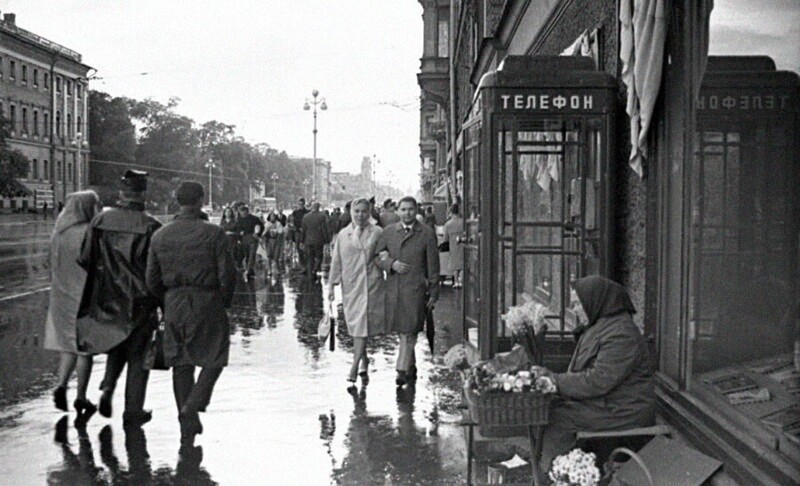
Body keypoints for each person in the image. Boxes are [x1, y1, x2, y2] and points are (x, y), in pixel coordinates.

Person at [533, 275, 655, 477]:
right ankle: (555, 471)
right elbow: (584, 374)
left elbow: (598, 381)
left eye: (577, 303)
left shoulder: (622, 335)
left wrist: (555, 380)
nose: (575, 309)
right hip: (607, 403)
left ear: (595, 301)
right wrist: (554, 381)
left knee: (557, 417)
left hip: (623, 410)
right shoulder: (601, 326)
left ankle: (555, 475)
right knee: (551, 407)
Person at [146, 181, 236, 446]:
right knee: (215, 355)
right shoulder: (214, 233)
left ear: (177, 201)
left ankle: (185, 416)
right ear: (200, 201)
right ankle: (193, 404)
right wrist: (224, 302)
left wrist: (165, 302)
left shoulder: (161, 235)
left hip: (174, 301)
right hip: (206, 299)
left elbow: (151, 278)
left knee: (181, 362)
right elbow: (227, 274)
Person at [76, 169, 162, 427]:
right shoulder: (151, 226)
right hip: (140, 299)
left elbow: (84, 259)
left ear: (121, 193)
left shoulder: (100, 221)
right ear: (143, 194)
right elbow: (155, 271)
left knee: (116, 342)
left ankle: (107, 388)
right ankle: (132, 412)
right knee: (139, 356)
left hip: (104, 297)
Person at [45, 190, 102, 421]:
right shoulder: (89, 233)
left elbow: (50, 264)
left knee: (67, 346)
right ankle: (81, 396)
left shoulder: (58, 233)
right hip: (84, 295)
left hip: (60, 295)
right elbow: (97, 264)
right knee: (84, 349)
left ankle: (61, 385)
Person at [376, 196, 440, 387]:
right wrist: (391, 264)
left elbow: (433, 265)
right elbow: (377, 257)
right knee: (402, 332)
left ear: (416, 210)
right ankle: (410, 367)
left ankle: (401, 369)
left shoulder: (426, 233)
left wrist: (434, 292)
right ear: (398, 211)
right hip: (395, 290)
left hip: (416, 290)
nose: (407, 213)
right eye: (403, 209)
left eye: (410, 209)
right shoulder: (389, 232)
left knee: (409, 332)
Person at [328, 198, 386, 388]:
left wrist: (386, 266)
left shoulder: (377, 232)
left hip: (371, 283)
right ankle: (364, 359)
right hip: (351, 284)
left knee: (363, 323)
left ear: (369, 213)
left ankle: (354, 365)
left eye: (364, 211)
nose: (360, 215)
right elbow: (336, 260)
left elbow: (384, 255)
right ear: (352, 213)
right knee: (355, 325)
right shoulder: (344, 235)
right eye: (357, 211)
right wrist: (331, 285)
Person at [301, 202, 330, 281]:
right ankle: (315, 269)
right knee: (319, 256)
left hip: (308, 241)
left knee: (310, 257)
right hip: (319, 240)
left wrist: (302, 241)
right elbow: (325, 229)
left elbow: (303, 230)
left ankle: (310, 272)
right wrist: (327, 240)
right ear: (318, 207)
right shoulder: (322, 216)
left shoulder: (306, 217)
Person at [235, 205, 263, 278]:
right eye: (241, 213)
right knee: (247, 254)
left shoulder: (254, 219)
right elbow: (237, 229)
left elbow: (261, 226)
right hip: (244, 238)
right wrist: (239, 237)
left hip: (252, 237)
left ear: (247, 211)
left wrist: (258, 234)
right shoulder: (239, 220)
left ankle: (248, 270)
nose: (242, 214)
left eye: (244, 212)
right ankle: (250, 270)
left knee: (252, 254)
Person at [442, 203, 464, 288]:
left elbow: (445, 239)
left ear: (451, 212)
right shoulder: (463, 222)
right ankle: (461, 280)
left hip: (453, 246)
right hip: (463, 245)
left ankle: (456, 281)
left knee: (455, 265)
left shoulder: (448, 224)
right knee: (463, 263)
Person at [262, 212, 285, 277]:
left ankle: (277, 269)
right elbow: (263, 233)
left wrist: (276, 232)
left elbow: (281, 232)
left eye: (274, 216)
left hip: (276, 241)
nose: (273, 218)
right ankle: (270, 269)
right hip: (269, 241)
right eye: (271, 216)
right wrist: (266, 232)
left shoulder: (278, 223)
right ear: (269, 217)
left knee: (276, 256)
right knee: (269, 255)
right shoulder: (267, 224)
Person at [291, 198, 309, 271]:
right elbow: (293, 223)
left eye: (301, 204)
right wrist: (296, 229)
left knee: (306, 249)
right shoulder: (295, 213)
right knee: (299, 249)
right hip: (298, 232)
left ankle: (307, 264)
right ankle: (303, 265)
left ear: (304, 204)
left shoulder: (307, 212)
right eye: (299, 204)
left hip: (305, 233)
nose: (300, 206)